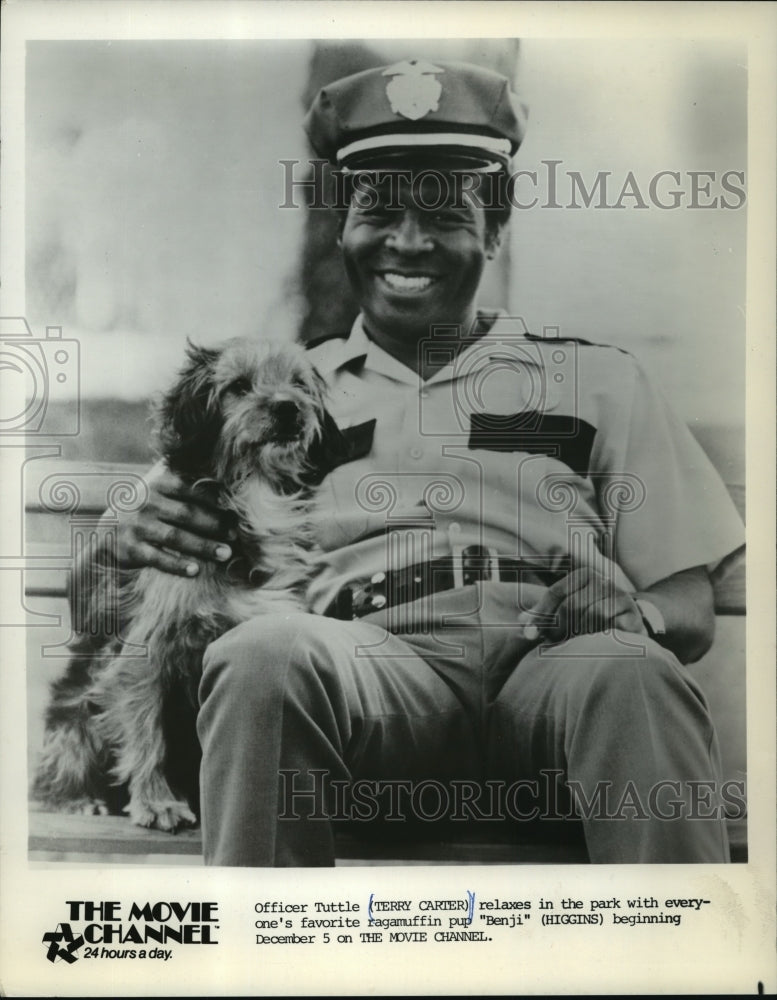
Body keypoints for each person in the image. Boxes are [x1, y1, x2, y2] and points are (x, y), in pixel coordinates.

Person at [92, 59, 745, 865]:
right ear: (343, 229)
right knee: (262, 651)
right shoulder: (292, 389)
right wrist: (128, 516)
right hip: (367, 684)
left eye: (445, 213)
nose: (407, 240)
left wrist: (633, 613)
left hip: (554, 670)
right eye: (379, 210)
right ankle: (258, 967)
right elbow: (144, 539)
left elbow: (687, 602)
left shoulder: (597, 377)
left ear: (495, 230)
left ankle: (681, 963)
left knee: (633, 671)